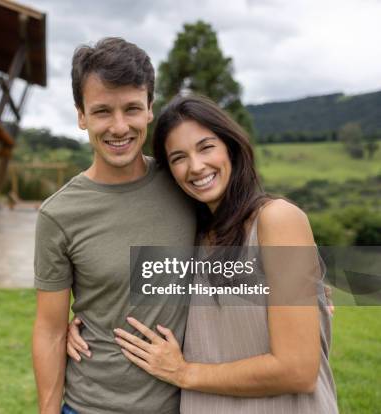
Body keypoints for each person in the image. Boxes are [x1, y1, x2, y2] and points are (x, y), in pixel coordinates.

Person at [67, 94, 339, 413]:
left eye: (206, 147)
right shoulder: (193, 238)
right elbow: (126, 292)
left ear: (231, 147)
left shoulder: (276, 219)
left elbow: (298, 370)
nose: (196, 167)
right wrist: (83, 323)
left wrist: (184, 372)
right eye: (178, 157)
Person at [32, 38, 196, 414]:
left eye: (132, 109)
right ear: (81, 115)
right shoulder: (58, 215)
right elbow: (50, 330)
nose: (119, 127)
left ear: (150, 110)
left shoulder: (183, 183)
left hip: (183, 404)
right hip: (89, 405)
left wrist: (305, 278)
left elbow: (242, 239)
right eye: (103, 111)